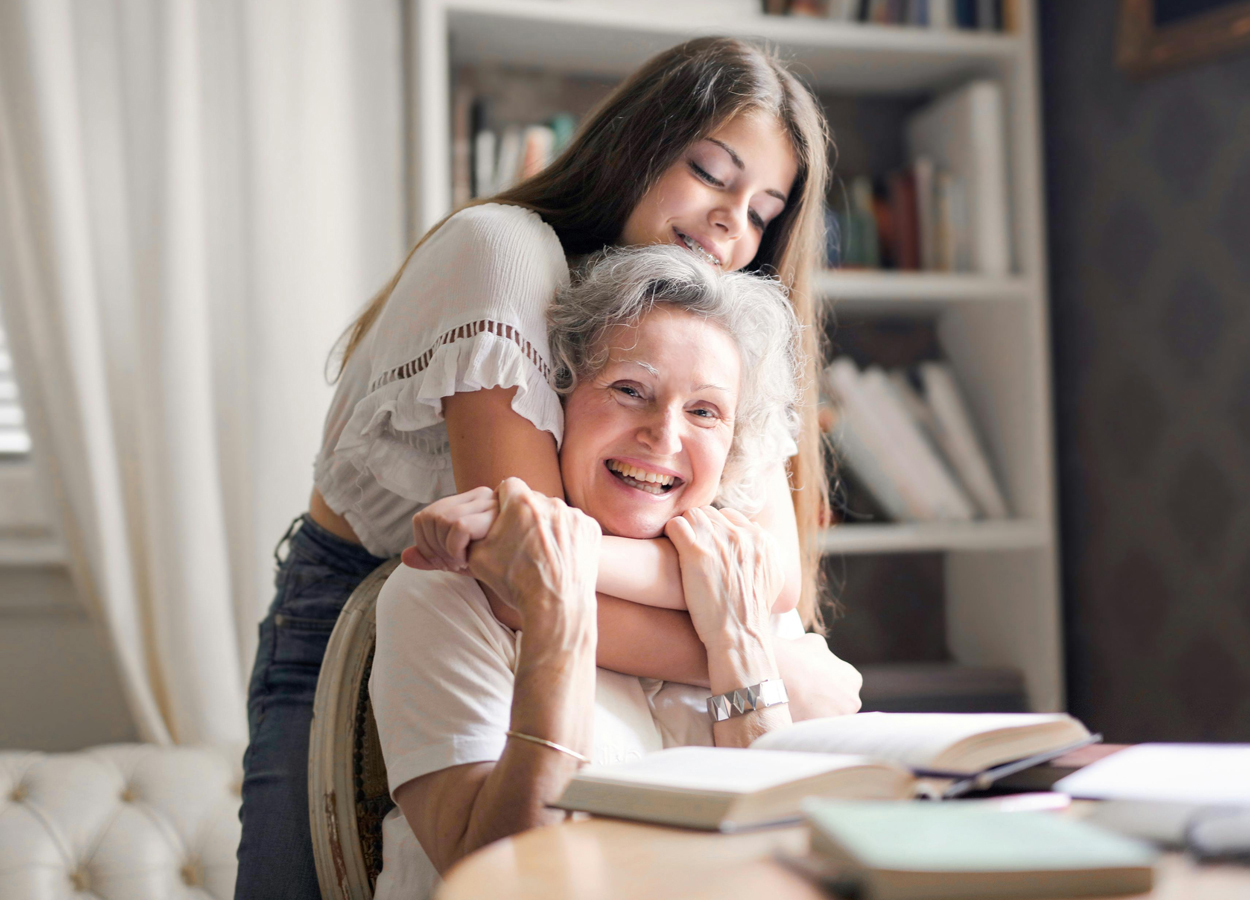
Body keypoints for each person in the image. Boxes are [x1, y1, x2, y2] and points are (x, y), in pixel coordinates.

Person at [236, 36, 850, 899]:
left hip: (547, 609)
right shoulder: (502, 252)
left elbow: (769, 575)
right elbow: (525, 584)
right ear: (636, 148)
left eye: (763, 210)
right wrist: (756, 659)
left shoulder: (716, 316)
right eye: (712, 173)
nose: (731, 224)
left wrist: (520, 544)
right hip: (373, 602)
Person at [371, 245, 853, 899]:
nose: (665, 434)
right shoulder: (446, 595)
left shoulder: (740, 586)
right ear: (560, 400)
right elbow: (502, 875)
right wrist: (557, 617)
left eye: (705, 411)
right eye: (630, 390)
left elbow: (780, 863)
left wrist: (741, 645)